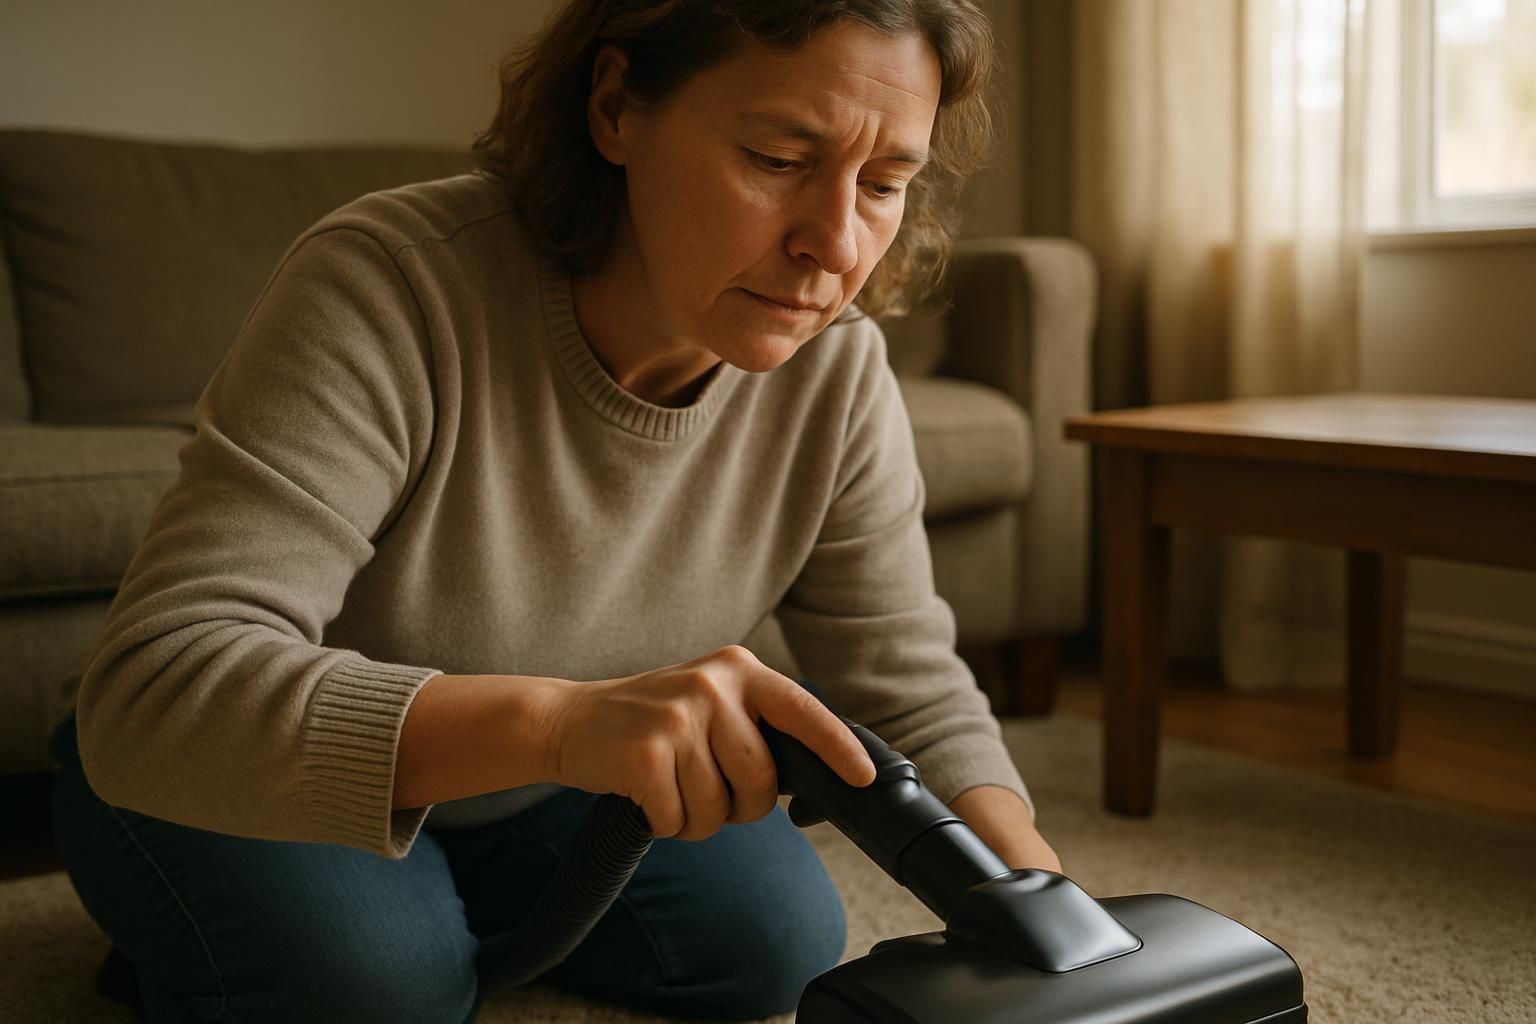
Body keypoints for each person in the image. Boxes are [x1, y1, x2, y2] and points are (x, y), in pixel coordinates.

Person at [50, 1, 1062, 1021]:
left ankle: (414, 919)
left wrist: (1048, 915)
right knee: (384, 985)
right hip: (223, 769)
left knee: (774, 938)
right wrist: (565, 723)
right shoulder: (391, 285)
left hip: (546, 788)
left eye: (886, 183)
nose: (836, 245)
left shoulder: (835, 371)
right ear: (617, 107)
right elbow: (156, 691)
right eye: (776, 157)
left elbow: (906, 685)